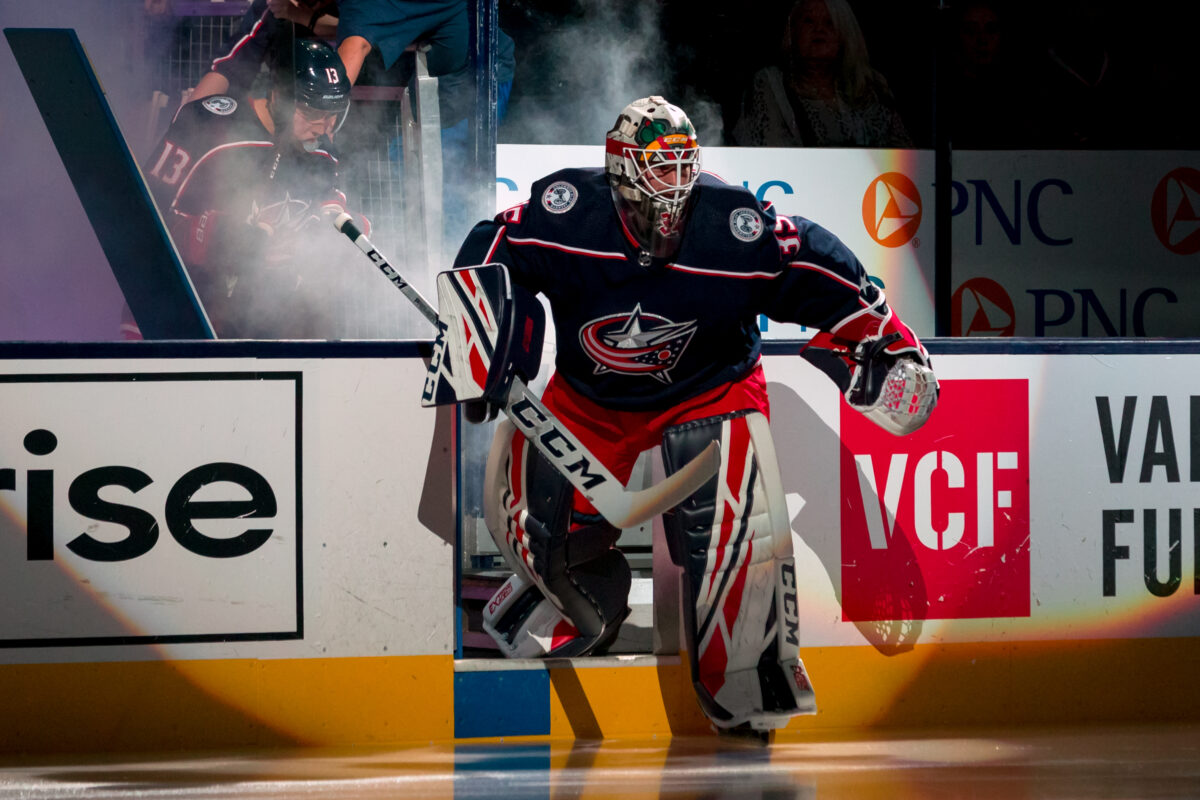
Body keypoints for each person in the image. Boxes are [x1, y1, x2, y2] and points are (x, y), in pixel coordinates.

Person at [447, 96, 938, 734]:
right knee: (534, 523)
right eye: (659, 165)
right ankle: (580, 598)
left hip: (712, 393)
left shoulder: (732, 227)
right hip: (592, 403)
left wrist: (888, 339)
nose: (676, 182)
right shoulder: (568, 213)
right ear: (622, 171)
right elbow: (494, 246)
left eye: (684, 163)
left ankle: (744, 663)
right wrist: (476, 341)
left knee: (735, 525)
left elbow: (816, 264)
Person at [144, 38, 360, 338]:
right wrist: (225, 239)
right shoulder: (206, 124)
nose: (323, 128)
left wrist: (339, 234)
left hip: (255, 324)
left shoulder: (321, 152)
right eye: (312, 113)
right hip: (173, 310)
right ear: (279, 95)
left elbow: (330, 211)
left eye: (333, 115)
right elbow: (140, 221)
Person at [732, 0, 911, 147]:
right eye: (808, 21)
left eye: (829, 22)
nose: (819, 29)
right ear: (792, 31)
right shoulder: (770, 84)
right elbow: (769, 150)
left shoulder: (871, 85)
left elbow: (903, 153)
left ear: (844, 34)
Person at [191, 0, 341, 103]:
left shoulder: (354, 6)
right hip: (290, 106)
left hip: (347, 101)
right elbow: (234, 59)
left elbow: (357, 37)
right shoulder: (273, 7)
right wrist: (197, 109)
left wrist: (302, 16)